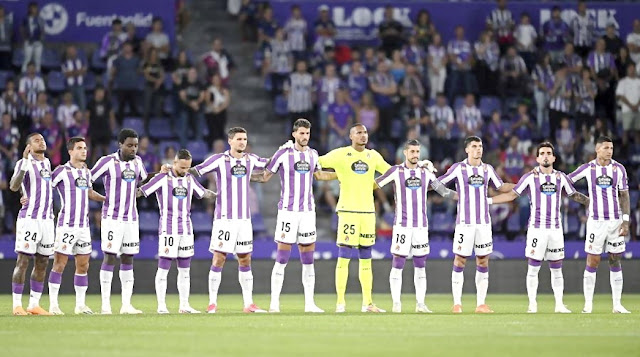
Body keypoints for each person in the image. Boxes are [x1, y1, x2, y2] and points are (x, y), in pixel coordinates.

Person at [489, 142, 589, 313]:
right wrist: (489, 201)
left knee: (557, 267)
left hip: (555, 229)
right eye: (542, 153)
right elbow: (512, 195)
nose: (545, 156)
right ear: (536, 158)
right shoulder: (530, 177)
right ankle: (532, 304)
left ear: (554, 157)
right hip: (537, 229)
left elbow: (575, 195)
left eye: (548, 153)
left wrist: (593, 204)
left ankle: (559, 305)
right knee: (533, 267)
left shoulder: (561, 178)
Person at [256, 119, 336, 313]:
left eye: (307, 133)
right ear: (294, 134)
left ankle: (310, 304)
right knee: (282, 256)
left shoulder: (313, 154)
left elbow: (319, 176)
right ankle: (274, 303)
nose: (305, 137)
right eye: (301, 133)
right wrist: (238, 176)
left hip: (308, 212)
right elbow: (265, 176)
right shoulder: (283, 153)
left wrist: (341, 173)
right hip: (288, 212)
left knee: (308, 258)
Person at [189, 127, 268, 313]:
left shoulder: (251, 159)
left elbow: (270, 163)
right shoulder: (218, 160)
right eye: (239, 139)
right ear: (230, 141)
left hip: (244, 220)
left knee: (245, 259)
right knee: (219, 258)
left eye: (245, 139)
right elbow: (196, 171)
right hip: (224, 219)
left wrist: (285, 152)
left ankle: (248, 304)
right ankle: (212, 303)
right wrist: (176, 169)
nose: (243, 142)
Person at [376, 139, 457, 313]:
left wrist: (466, 196)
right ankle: (396, 303)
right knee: (398, 263)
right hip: (402, 226)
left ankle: (420, 304)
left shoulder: (426, 173)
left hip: (421, 226)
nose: (415, 155)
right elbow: (376, 184)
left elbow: (442, 191)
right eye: (412, 152)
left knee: (420, 265)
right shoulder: (396, 171)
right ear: (405, 153)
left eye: (417, 152)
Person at [318, 123, 392, 313]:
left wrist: (375, 184)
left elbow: (392, 174)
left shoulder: (373, 156)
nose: (363, 135)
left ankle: (367, 303)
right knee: (344, 257)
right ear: (351, 136)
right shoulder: (340, 154)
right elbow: (317, 162)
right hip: (348, 212)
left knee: (366, 257)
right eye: (359, 133)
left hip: (368, 213)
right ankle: (340, 303)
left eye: (365, 132)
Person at [437, 136, 515, 313]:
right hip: (464, 223)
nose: (478, 149)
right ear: (467, 150)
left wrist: (522, 185)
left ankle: (481, 304)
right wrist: (453, 195)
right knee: (460, 260)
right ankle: (457, 304)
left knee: (483, 261)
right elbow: (439, 185)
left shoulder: (487, 169)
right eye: (474, 146)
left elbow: (501, 187)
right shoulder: (458, 168)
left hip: (484, 224)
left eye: (480, 146)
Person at [138, 149, 215, 314]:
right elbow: (142, 191)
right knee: (164, 267)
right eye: (182, 167)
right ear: (174, 163)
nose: (185, 171)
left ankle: (184, 305)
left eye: (187, 167)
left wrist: (219, 195)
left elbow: (203, 193)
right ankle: (161, 306)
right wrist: (124, 193)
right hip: (168, 228)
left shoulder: (189, 179)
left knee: (185, 268)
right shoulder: (162, 178)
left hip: (186, 229)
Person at [568, 136, 631, 314]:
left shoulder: (619, 169)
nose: (609, 151)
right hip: (596, 222)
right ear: (597, 149)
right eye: (605, 148)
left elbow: (624, 195)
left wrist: (625, 220)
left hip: (615, 221)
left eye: (611, 148)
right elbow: (565, 182)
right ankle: (588, 305)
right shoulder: (588, 168)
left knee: (615, 259)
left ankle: (617, 305)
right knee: (593, 260)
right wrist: (583, 200)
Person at [91, 129, 148, 314]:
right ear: (120, 144)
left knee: (128, 257)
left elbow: (144, 182)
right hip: (112, 218)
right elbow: (86, 180)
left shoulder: (138, 162)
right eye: (130, 145)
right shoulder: (107, 162)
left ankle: (126, 305)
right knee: (109, 257)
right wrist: (100, 199)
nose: (134, 149)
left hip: (131, 219)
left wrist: (161, 173)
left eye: (136, 145)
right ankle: (105, 305)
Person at [47, 137, 106, 315]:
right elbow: (45, 187)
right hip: (66, 225)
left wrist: (106, 199)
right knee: (60, 264)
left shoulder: (86, 173)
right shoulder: (61, 171)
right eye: (79, 148)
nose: (84, 151)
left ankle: (80, 305)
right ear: (70, 151)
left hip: (83, 226)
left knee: (83, 265)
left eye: (85, 148)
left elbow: (89, 192)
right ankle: (53, 305)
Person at [9, 133, 54, 315]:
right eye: (36, 140)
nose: (41, 141)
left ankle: (34, 304)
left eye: (42, 139)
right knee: (23, 261)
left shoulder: (48, 163)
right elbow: (13, 186)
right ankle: (17, 305)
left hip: (47, 220)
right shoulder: (24, 163)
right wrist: (25, 161)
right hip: (29, 218)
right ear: (28, 146)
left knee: (42, 261)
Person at [87, 86, 115, 163]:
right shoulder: (91, 103)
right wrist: (87, 128)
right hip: (94, 129)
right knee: (94, 150)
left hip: (105, 128)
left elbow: (111, 115)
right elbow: (87, 116)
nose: (101, 94)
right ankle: (92, 168)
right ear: (95, 92)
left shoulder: (107, 102)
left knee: (105, 148)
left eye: (102, 92)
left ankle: (108, 166)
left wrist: (112, 126)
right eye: (99, 91)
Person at [204, 73, 231, 145]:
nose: (216, 81)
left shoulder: (224, 90)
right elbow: (207, 101)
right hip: (211, 113)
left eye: (217, 79)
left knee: (220, 130)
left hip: (221, 113)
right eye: (214, 79)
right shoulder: (209, 90)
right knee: (213, 131)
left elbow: (226, 101)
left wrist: (219, 109)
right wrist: (214, 108)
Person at [62, 46, 88, 111]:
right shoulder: (65, 63)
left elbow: (84, 71)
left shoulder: (81, 60)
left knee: (82, 105)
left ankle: (82, 120)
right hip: (70, 87)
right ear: (67, 53)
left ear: (76, 52)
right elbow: (66, 74)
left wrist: (72, 72)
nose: (72, 53)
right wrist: (79, 71)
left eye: (73, 51)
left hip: (80, 86)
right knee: (70, 105)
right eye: (70, 52)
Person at [21, 2, 44, 73]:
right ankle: (24, 74)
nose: (34, 10)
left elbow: (43, 29)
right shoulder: (26, 18)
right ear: (29, 9)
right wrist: (25, 39)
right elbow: (21, 29)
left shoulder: (40, 19)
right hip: (29, 41)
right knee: (27, 59)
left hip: (38, 42)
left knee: (38, 60)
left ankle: (37, 75)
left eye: (35, 8)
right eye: (32, 8)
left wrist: (41, 39)